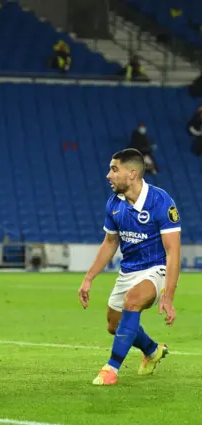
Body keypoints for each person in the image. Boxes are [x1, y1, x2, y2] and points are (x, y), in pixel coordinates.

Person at [78, 148, 180, 386]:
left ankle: (111, 368)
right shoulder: (114, 204)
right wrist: (89, 278)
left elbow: (173, 251)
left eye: (114, 169)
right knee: (114, 325)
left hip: (157, 269)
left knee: (132, 301)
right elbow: (110, 242)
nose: (108, 175)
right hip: (129, 270)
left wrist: (169, 295)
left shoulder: (161, 201)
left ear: (132, 173)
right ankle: (152, 350)